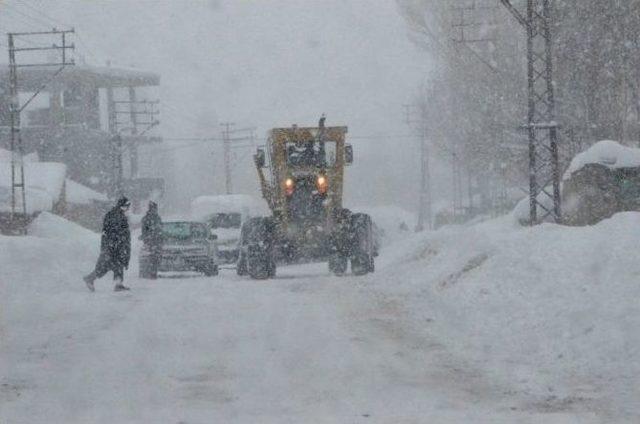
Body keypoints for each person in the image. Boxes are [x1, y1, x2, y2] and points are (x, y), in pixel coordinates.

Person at [83, 196, 132, 292]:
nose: (128, 208)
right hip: (113, 246)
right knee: (110, 265)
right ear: (122, 205)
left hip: (113, 246)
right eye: (127, 206)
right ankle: (91, 279)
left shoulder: (117, 214)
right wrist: (118, 243)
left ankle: (118, 284)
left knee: (113, 265)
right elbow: (114, 232)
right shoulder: (116, 215)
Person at [140, 201, 163, 279]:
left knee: (155, 257)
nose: (155, 210)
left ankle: (154, 272)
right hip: (150, 241)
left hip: (157, 241)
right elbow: (144, 230)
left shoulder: (157, 218)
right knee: (150, 257)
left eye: (155, 209)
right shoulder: (146, 219)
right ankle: (151, 272)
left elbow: (160, 228)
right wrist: (147, 238)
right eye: (154, 208)